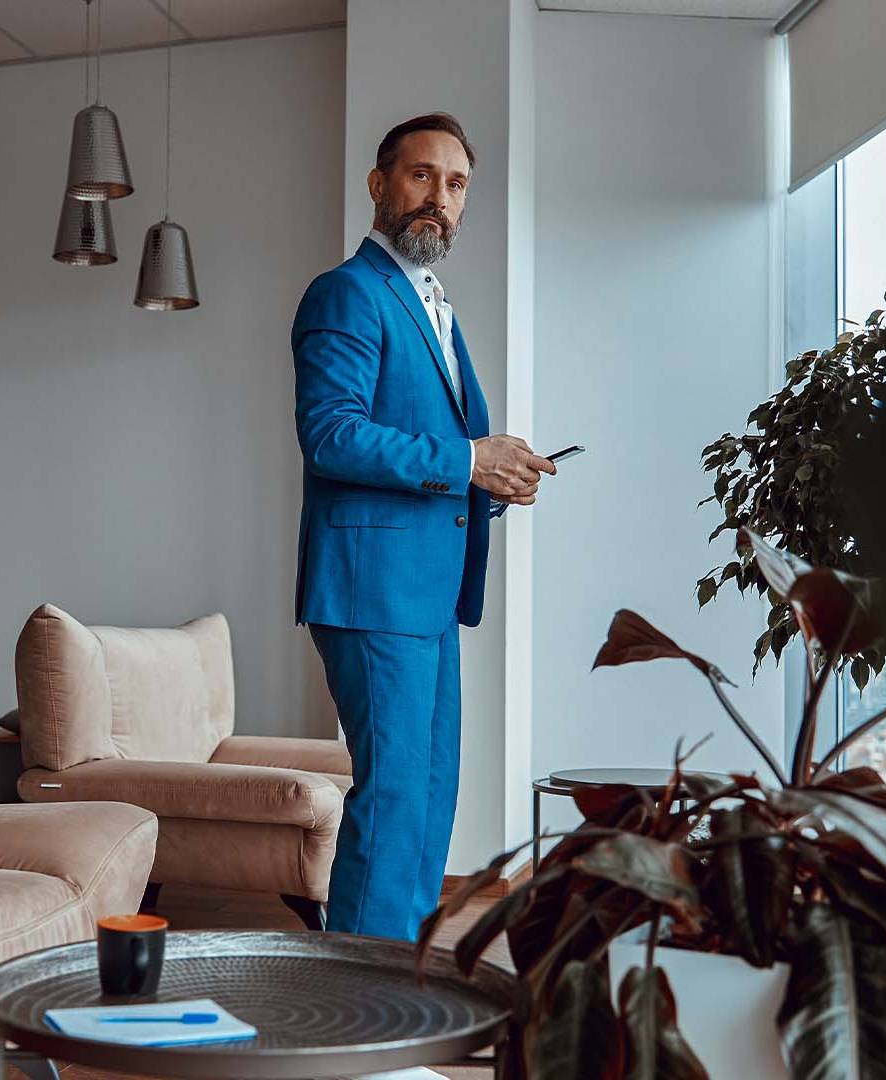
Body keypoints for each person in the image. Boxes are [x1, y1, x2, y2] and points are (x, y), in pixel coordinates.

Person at [291, 112, 556, 941]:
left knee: (429, 796)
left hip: (429, 597)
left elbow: (441, 448)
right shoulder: (347, 292)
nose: (439, 197)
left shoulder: (434, 304)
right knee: (399, 794)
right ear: (380, 185)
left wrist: (495, 476)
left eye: (456, 183)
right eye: (421, 176)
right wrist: (468, 460)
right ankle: (356, 1022)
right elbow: (330, 432)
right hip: (373, 593)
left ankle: (392, 995)